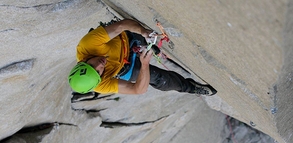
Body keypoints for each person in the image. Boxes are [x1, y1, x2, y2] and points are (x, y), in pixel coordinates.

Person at [68, 19, 217, 96]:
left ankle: (152, 46)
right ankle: (190, 87)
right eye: (99, 72)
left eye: (92, 65)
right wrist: (144, 64)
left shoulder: (87, 45)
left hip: (126, 38)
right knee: (158, 79)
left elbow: (122, 25)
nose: (100, 65)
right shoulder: (100, 84)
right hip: (125, 66)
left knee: (147, 36)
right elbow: (138, 90)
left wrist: (143, 31)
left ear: (83, 61)